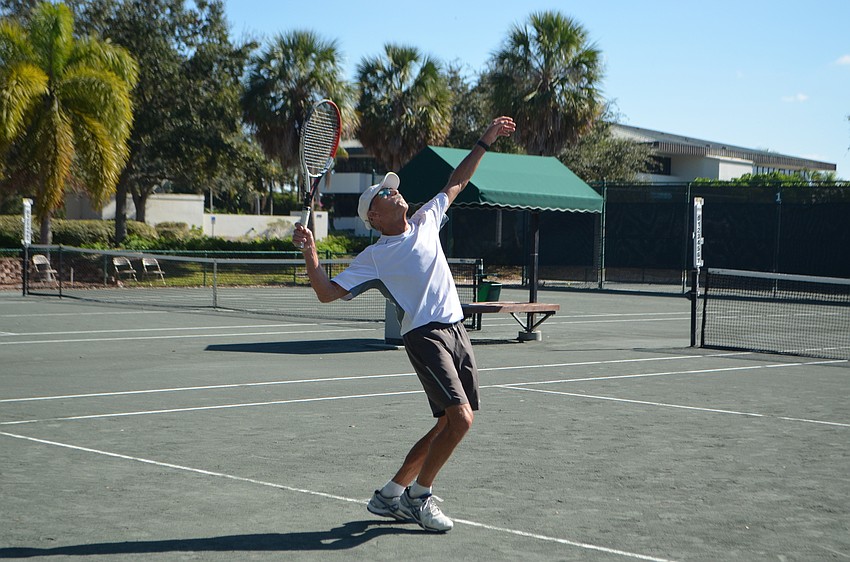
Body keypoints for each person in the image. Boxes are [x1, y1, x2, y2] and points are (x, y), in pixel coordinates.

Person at [293, 116, 516, 532]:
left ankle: (391, 493)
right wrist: (310, 251)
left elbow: (458, 181)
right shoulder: (376, 255)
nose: (396, 192)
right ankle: (419, 496)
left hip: (456, 330)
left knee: (449, 422)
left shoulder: (429, 217)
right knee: (461, 419)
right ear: (374, 216)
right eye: (385, 193)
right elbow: (326, 292)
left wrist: (486, 138)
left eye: (394, 188)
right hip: (425, 335)